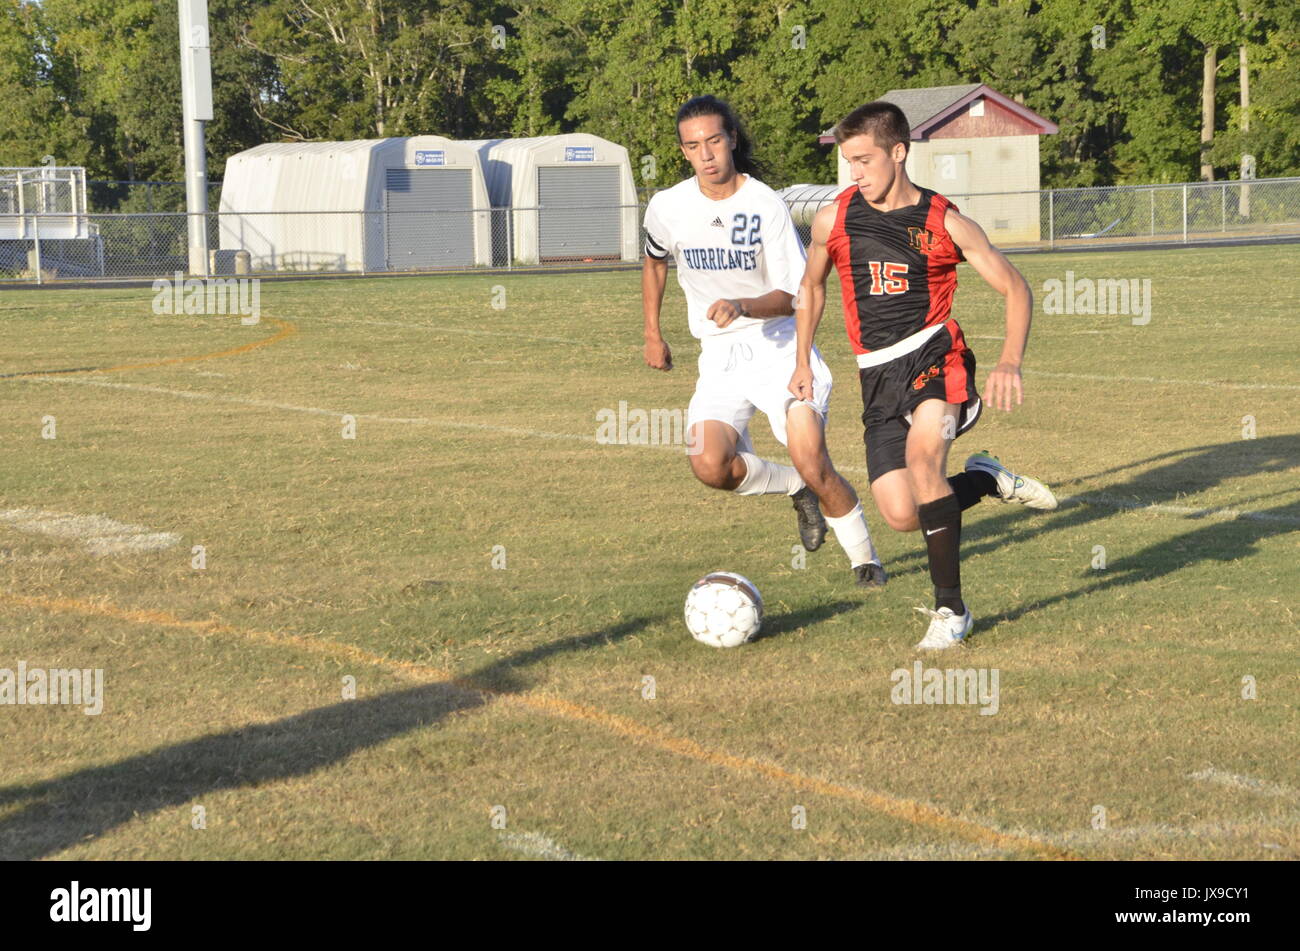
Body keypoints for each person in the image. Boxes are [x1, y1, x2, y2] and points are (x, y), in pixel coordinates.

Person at [789, 100, 1057, 648]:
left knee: (923, 461)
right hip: (876, 376)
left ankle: (951, 611)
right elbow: (811, 287)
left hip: (935, 356)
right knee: (902, 513)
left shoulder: (943, 221)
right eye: (848, 162)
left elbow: (1015, 286)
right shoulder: (834, 217)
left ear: (899, 152)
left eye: (864, 160)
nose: (855, 173)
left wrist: (1010, 359)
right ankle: (986, 480)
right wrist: (800, 360)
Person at [642, 95, 886, 586]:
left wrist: (744, 305)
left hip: (780, 348)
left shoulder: (763, 203)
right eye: (693, 146)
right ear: (683, 152)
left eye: (714, 140)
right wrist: (653, 331)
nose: (706, 154)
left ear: (731, 138)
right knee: (710, 465)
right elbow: (653, 259)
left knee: (812, 458)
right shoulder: (667, 206)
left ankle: (866, 560)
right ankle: (796, 488)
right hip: (720, 357)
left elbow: (799, 295)